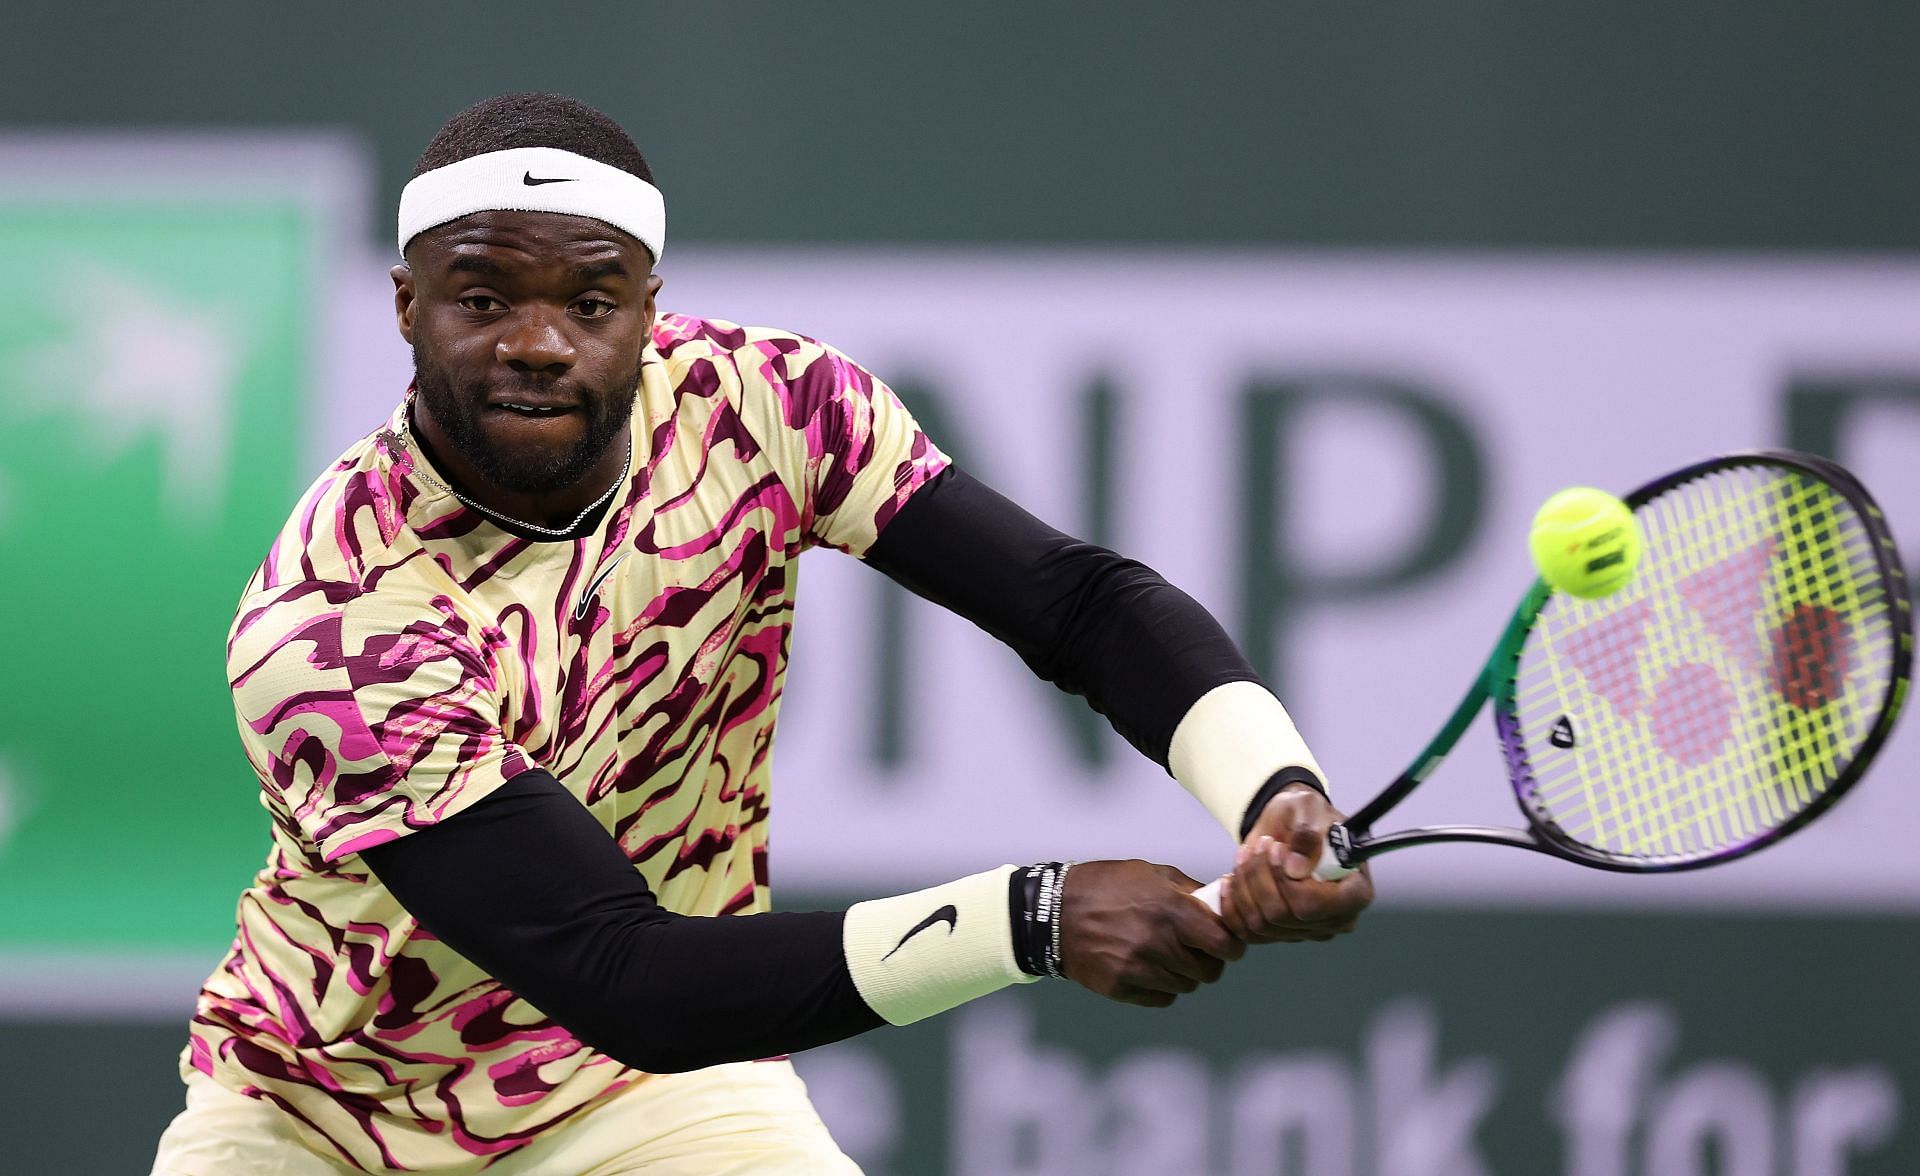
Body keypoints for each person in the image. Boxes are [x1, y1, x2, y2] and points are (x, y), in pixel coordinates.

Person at [150, 92, 1374, 1175]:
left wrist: (1273, 787)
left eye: (589, 301)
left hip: (642, 1106)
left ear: (647, 311)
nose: (536, 343)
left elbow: (1078, 603)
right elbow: (625, 977)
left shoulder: (767, 408)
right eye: (482, 298)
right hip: (319, 1120)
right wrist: (1037, 916)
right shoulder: (335, 626)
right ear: (407, 307)